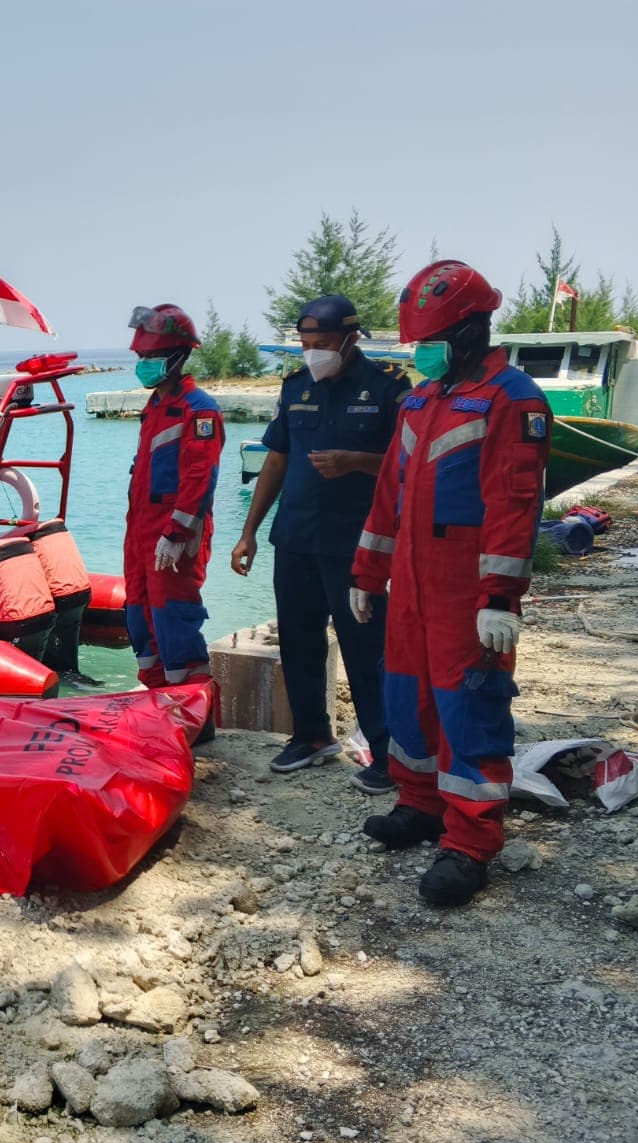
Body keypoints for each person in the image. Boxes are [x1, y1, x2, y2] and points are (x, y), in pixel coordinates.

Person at [350, 260, 551, 907]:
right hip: (410, 591)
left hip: (468, 595)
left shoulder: (511, 399)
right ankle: (421, 803)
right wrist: (367, 571)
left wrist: (500, 597)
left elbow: (513, 506)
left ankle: (470, 841)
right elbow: (389, 497)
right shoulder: (419, 401)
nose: (419, 354)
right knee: (407, 698)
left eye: (427, 342)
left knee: (468, 707)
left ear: (469, 333)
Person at [230, 295, 411, 792]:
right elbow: (276, 461)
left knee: (366, 644)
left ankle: (387, 747)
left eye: (323, 344)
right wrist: (248, 533)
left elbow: (408, 466)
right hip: (295, 536)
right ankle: (311, 736)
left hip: (357, 543)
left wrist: (357, 460)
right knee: (298, 638)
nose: (313, 354)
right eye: (307, 345)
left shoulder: (388, 389)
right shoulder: (295, 388)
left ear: (351, 339)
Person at [123, 303, 223, 741]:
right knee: (141, 619)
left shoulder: (198, 410)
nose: (144, 366)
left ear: (179, 356)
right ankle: (161, 706)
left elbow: (200, 477)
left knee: (175, 622)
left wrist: (177, 531)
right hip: (141, 533)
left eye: (151, 357)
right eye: (141, 358)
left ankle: (197, 722)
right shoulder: (155, 406)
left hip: (174, 536)